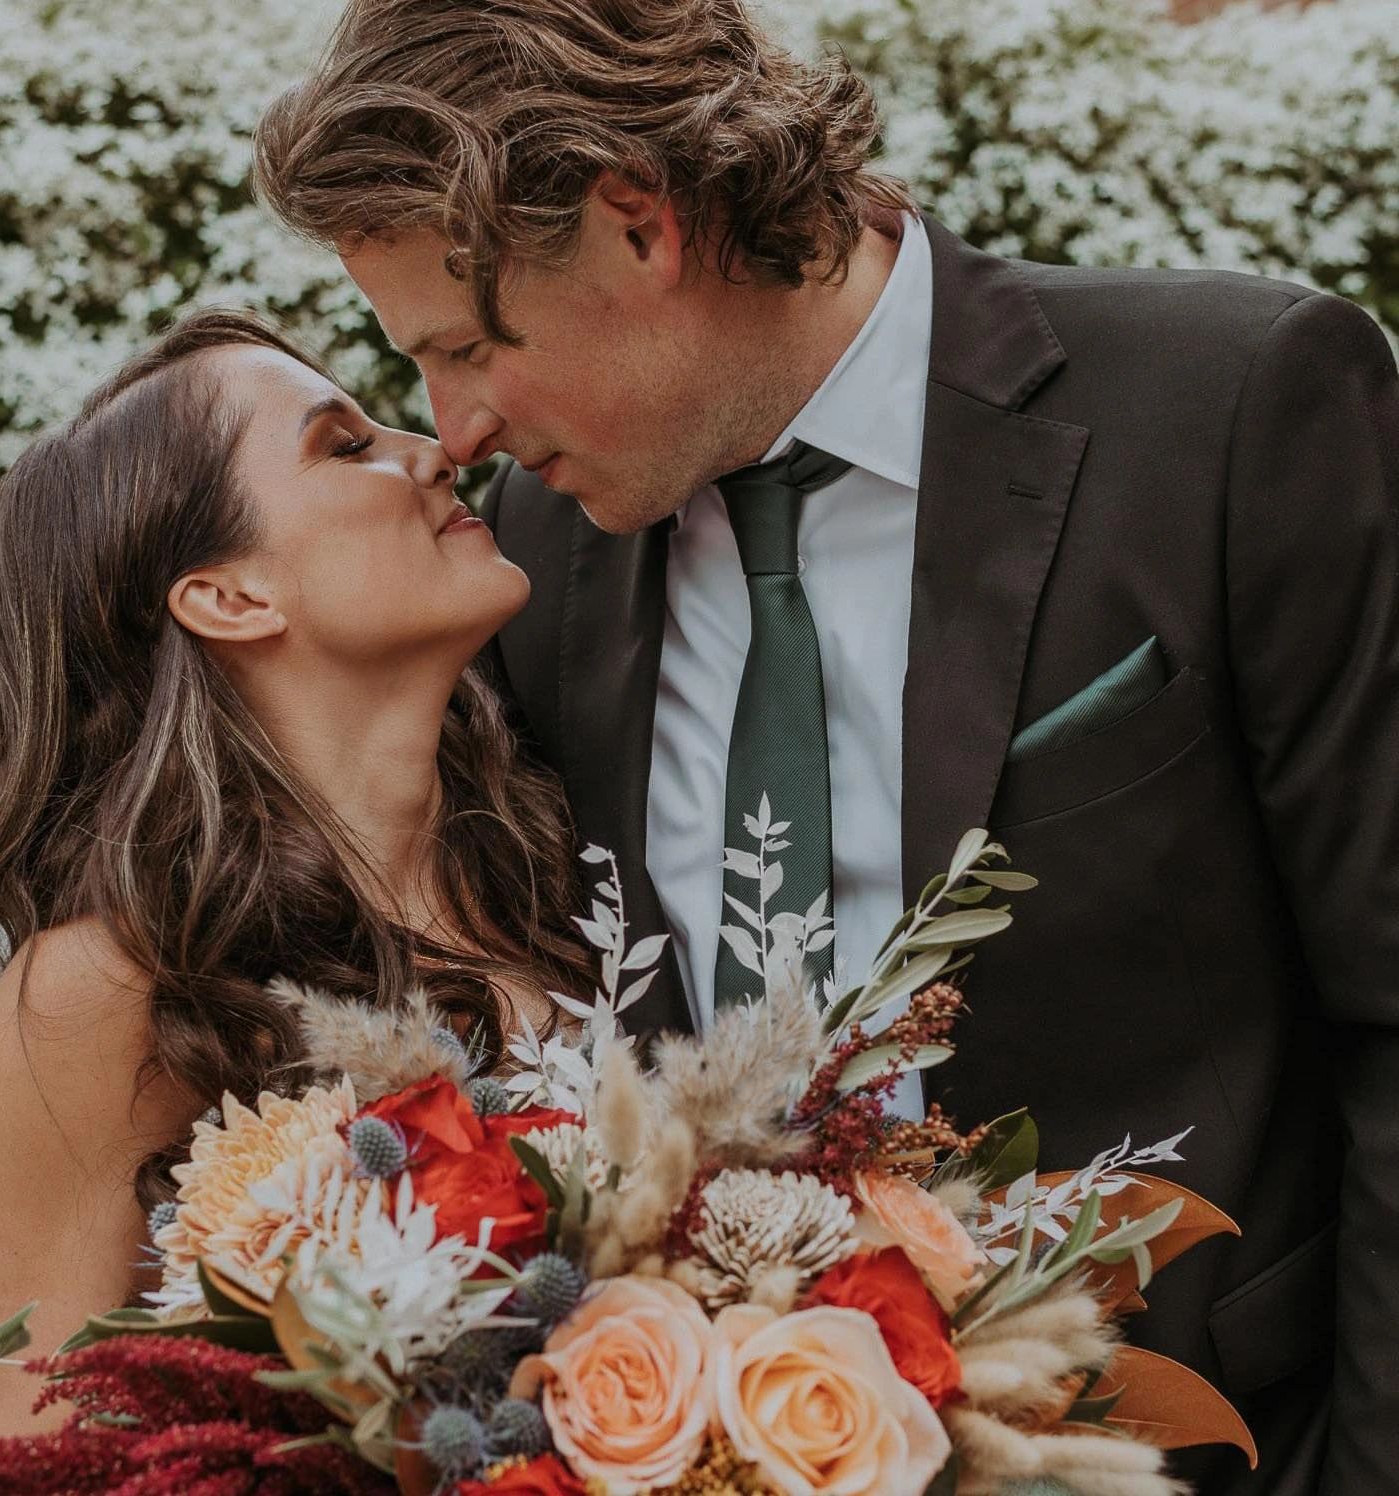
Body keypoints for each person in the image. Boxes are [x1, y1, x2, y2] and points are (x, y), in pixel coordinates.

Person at [251, 1, 1399, 1491]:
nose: (450, 426)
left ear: (635, 225)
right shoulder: (528, 556)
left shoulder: (1239, 406)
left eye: (465, 346)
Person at [0, 308, 591, 1439]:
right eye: (343, 443)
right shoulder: (104, 992)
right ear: (228, 596)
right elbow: (46, 1460)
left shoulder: (559, 866)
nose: (431, 451)